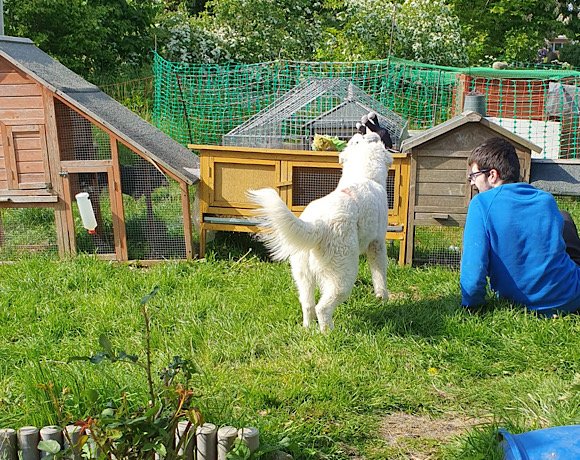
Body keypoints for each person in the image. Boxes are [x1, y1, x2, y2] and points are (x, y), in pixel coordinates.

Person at [460, 137, 580, 316]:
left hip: (518, 302)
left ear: (492, 175)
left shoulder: (481, 204)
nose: (472, 182)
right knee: (565, 219)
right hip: (570, 298)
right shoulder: (546, 200)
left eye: (474, 176)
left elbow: (474, 269)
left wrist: (472, 305)